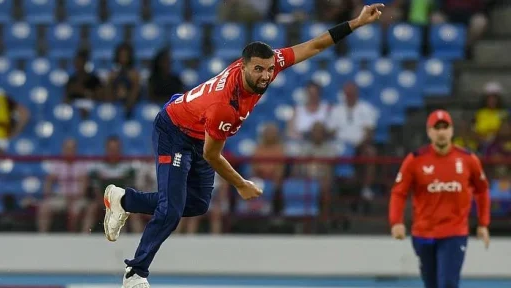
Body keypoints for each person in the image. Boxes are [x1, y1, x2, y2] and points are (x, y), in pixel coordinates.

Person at [103, 4, 384, 288]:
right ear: (244, 65)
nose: (265, 75)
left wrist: (357, 23)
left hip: (198, 129)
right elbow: (212, 155)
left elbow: (314, 45)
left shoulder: (270, 65)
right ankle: (135, 272)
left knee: (198, 204)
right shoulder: (225, 106)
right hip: (174, 130)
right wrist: (241, 184)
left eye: (269, 69)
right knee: (171, 210)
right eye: (259, 70)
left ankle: (123, 199)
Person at [389, 109, 491, 288]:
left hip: (454, 232)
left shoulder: (468, 159)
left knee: (448, 283)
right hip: (423, 233)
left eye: (445, 127)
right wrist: (396, 222)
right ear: (429, 132)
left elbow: (482, 190)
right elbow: (399, 192)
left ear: (452, 131)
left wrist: (483, 223)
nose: (441, 132)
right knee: (432, 283)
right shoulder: (415, 160)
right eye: (437, 128)